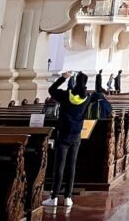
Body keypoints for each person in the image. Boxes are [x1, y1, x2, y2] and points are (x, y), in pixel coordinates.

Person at [43, 70, 106, 210]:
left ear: (76, 81)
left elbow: (51, 90)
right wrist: (98, 80)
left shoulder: (66, 95)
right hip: (76, 135)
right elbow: (100, 94)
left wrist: (63, 78)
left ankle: (53, 197)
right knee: (71, 166)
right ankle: (68, 197)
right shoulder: (87, 98)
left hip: (63, 134)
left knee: (59, 166)